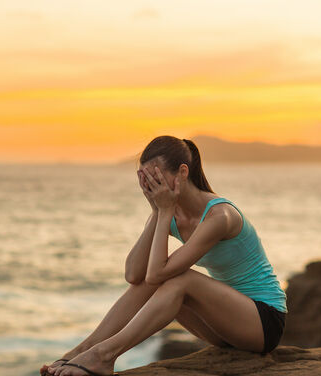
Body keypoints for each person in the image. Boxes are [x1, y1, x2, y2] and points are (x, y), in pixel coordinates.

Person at [40, 135, 287, 376]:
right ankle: (83, 350)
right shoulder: (171, 213)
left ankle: (104, 355)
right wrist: (158, 213)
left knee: (180, 279)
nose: (153, 185)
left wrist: (165, 210)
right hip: (224, 327)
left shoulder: (219, 217)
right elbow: (134, 275)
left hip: (263, 321)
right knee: (158, 280)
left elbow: (158, 273)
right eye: (147, 179)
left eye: (158, 176)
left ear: (182, 172)